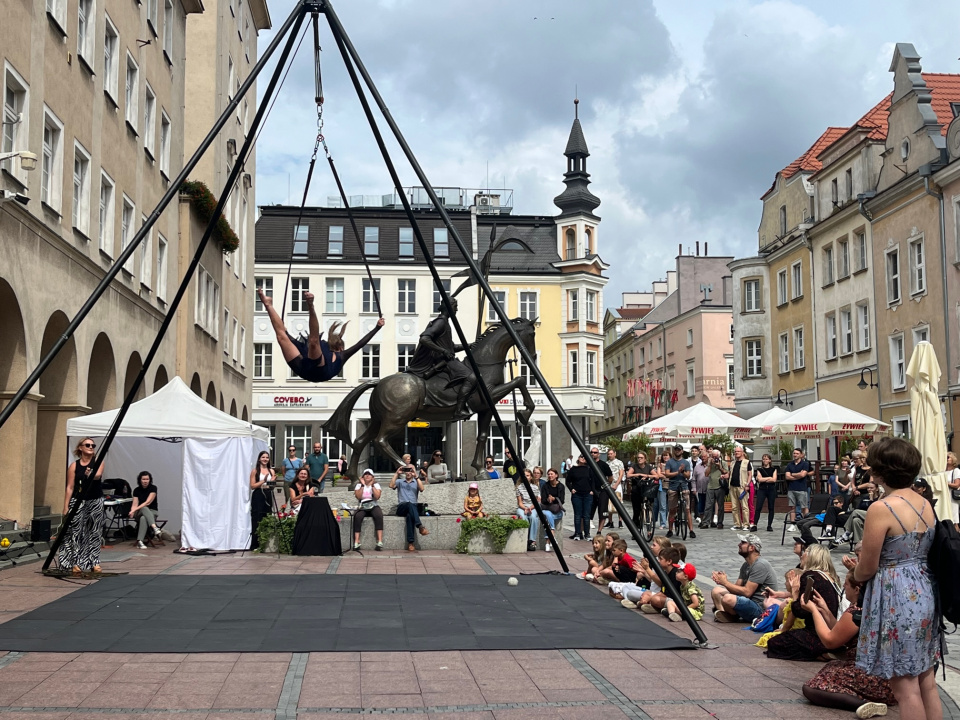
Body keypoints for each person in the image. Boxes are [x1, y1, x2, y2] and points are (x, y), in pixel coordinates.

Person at [851, 437, 940, 720]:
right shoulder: (924, 502)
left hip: (896, 596)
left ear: (880, 472)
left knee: (904, 688)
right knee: (926, 680)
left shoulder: (882, 508)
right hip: (925, 590)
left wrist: (854, 573)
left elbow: (867, 567)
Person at [800, 571, 896, 720]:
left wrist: (813, 611)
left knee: (810, 688)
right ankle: (868, 699)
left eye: (846, 583)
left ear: (857, 589)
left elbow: (830, 641)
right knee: (831, 667)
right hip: (890, 680)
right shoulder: (874, 607)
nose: (843, 586)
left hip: (872, 677)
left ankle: (864, 703)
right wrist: (824, 610)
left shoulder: (855, 612)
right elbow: (842, 633)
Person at [258, 288, 384, 383]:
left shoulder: (341, 356)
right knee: (282, 337)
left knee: (309, 341)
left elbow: (359, 344)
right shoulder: (340, 353)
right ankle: (268, 304)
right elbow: (360, 344)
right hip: (305, 366)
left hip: (314, 370)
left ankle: (310, 305)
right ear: (341, 347)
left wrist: (377, 328)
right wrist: (377, 328)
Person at [765, 544, 842, 661]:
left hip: (817, 632)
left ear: (812, 556)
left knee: (774, 643)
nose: (802, 555)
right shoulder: (831, 577)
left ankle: (820, 653)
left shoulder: (810, 576)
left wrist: (795, 592)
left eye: (805, 552)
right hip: (831, 628)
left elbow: (800, 611)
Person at [404, 296, 476, 419]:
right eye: (455, 307)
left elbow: (451, 347)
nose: (456, 310)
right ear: (449, 307)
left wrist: (468, 345)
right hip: (444, 361)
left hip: (447, 358)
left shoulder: (445, 323)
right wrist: (442, 351)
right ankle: (459, 410)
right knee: (472, 377)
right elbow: (424, 338)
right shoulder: (441, 322)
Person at [58, 437, 106, 574]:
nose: (91, 447)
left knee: (95, 530)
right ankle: (75, 562)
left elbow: (98, 475)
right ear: (80, 447)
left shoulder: (98, 461)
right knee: (76, 531)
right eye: (88, 445)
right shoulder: (74, 465)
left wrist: (90, 474)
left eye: (93, 445)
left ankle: (94, 562)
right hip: (78, 500)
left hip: (95, 499)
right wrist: (66, 505)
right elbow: (69, 486)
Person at [710, 533, 778, 623]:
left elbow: (747, 592)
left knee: (727, 598)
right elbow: (736, 589)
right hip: (748, 602)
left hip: (760, 608)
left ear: (751, 548)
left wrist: (725, 583)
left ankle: (731, 615)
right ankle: (727, 614)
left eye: (742, 543)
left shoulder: (760, 565)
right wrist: (723, 581)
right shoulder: (746, 565)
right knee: (716, 591)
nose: (739, 545)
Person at [390, 464, 429, 552]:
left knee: (409, 516)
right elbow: (391, 485)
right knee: (409, 504)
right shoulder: (400, 481)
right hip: (402, 507)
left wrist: (416, 476)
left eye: (410, 470)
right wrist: (396, 474)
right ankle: (420, 526)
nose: (408, 473)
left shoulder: (416, 482)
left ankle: (411, 543)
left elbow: (422, 489)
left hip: (412, 508)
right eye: (407, 470)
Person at [665, 445, 695, 539]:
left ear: (682, 451)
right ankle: (670, 529)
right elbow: (667, 474)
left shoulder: (685, 462)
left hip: (684, 485)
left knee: (687, 509)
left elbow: (688, 475)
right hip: (673, 486)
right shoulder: (670, 462)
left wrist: (682, 472)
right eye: (676, 450)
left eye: (679, 450)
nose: (677, 451)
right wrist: (677, 472)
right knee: (672, 509)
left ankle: (691, 530)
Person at [352, 469, 384, 551]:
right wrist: (362, 485)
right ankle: (357, 541)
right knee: (357, 516)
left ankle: (379, 540)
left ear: (372, 477)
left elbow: (377, 497)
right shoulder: (358, 485)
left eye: (369, 474)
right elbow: (358, 496)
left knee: (379, 515)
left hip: (373, 504)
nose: (367, 476)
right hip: (363, 505)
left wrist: (372, 485)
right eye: (365, 474)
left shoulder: (376, 485)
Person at [129, 471, 162, 550]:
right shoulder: (136, 490)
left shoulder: (153, 488)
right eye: (143, 479)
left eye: (147, 479)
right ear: (140, 480)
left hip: (152, 512)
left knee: (143, 518)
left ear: (150, 480)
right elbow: (134, 504)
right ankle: (154, 528)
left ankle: (140, 541)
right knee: (143, 509)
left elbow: (148, 502)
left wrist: (134, 510)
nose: (145, 481)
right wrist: (132, 511)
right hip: (139, 512)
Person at [249, 450, 275, 550]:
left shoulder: (271, 471)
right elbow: (252, 486)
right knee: (257, 518)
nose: (265, 459)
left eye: (267, 457)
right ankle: (256, 544)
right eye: (263, 457)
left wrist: (271, 482)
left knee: (267, 516)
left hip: (268, 495)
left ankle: (266, 543)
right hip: (258, 495)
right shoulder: (255, 471)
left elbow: (272, 486)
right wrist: (263, 481)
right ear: (259, 459)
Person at [565, 454, 593, 540]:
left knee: (586, 515)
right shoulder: (573, 469)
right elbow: (568, 481)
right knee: (577, 515)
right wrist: (571, 489)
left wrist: (592, 490)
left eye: (584, 457)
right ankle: (577, 533)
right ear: (578, 458)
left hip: (587, 494)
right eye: (581, 457)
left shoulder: (589, 469)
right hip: (577, 494)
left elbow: (593, 481)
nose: (583, 458)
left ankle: (587, 534)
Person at [588, 447, 613, 532]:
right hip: (590, 491)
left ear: (598, 454)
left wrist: (606, 486)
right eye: (591, 452)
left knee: (603, 512)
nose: (593, 454)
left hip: (602, 491)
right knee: (589, 511)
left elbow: (610, 477)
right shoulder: (588, 464)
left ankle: (599, 531)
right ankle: (585, 531)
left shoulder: (604, 465)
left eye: (595, 452)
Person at [728, 445, 752, 531]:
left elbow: (750, 474)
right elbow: (730, 473)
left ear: (742, 453)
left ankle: (746, 524)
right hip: (733, 486)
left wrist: (747, 484)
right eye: (735, 452)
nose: (736, 453)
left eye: (738, 451)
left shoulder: (747, 462)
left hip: (742, 487)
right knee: (734, 507)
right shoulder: (732, 463)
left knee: (744, 507)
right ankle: (737, 524)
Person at [702, 449, 728, 529]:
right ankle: (706, 522)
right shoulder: (710, 463)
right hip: (710, 486)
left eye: (716, 456)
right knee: (708, 505)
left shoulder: (723, 463)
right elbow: (706, 474)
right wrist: (710, 465)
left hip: (720, 486)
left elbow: (726, 473)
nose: (714, 458)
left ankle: (720, 522)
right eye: (713, 456)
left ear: (719, 456)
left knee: (720, 506)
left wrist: (719, 467)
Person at [751, 453, 777, 532]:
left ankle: (769, 525)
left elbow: (774, 479)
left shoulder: (774, 469)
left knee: (771, 507)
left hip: (771, 489)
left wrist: (765, 479)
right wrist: (769, 478)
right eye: (764, 459)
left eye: (766, 459)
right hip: (762, 489)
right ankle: (755, 524)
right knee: (758, 507)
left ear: (770, 460)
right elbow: (759, 479)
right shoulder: (760, 469)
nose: (765, 460)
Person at [784, 448, 811, 524]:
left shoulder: (805, 464)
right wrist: (797, 475)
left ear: (801, 455)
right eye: (794, 453)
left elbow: (803, 475)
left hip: (802, 488)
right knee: (792, 507)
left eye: (797, 453)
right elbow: (787, 476)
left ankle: (806, 522)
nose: (795, 455)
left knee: (804, 506)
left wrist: (792, 474)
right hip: (791, 488)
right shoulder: (790, 464)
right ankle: (792, 523)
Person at [628, 452, 655, 527]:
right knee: (636, 511)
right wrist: (638, 474)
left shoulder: (648, 467)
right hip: (636, 489)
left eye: (641, 458)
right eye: (638, 458)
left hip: (645, 489)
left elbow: (656, 475)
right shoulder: (634, 466)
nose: (639, 459)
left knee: (648, 505)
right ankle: (635, 528)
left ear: (645, 459)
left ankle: (648, 525)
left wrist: (646, 476)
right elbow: (628, 475)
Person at [516, 469, 540, 552]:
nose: (526, 477)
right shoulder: (519, 487)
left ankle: (532, 540)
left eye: (528, 475)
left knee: (533, 517)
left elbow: (536, 501)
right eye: (524, 475)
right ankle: (524, 539)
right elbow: (520, 502)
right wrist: (525, 508)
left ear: (531, 477)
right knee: (523, 517)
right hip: (523, 507)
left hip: (532, 507)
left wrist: (530, 508)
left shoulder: (535, 487)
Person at [604, 448, 625, 529]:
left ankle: (620, 521)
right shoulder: (607, 463)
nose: (610, 455)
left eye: (611, 453)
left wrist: (616, 484)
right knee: (609, 503)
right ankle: (610, 521)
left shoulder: (619, 463)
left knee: (619, 502)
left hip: (617, 484)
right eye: (608, 454)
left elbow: (621, 474)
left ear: (615, 454)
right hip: (609, 484)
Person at [691, 446, 708, 525]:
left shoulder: (711, 466)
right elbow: (693, 479)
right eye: (702, 457)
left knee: (708, 505)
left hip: (709, 489)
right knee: (700, 505)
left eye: (705, 457)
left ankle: (708, 520)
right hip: (700, 489)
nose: (703, 458)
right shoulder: (697, 467)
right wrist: (694, 488)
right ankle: (702, 520)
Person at [947, 451, 960, 525]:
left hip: (952, 497)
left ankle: (956, 534)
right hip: (945, 497)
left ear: (953, 459)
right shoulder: (942, 472)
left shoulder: (956, 471)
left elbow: (957, 485)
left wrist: (946, 484)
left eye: (948, 457)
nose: (946, 459)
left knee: (954, 518)